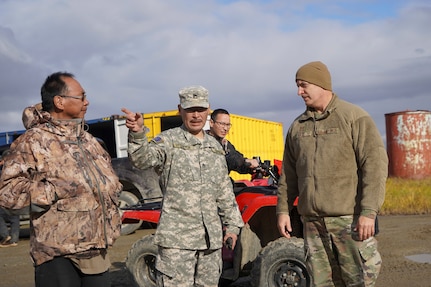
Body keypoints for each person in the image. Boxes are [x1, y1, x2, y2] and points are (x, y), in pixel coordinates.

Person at [0, 72, 122, 287]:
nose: (87, 102)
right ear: (59, 101)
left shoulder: (89, 141)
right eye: (81, 97)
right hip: (57, 254)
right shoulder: (34, 140)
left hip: (96, 251)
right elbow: (7, 192)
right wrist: (52, 191)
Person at [276, 61, 388, 287]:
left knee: (358, 281)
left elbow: (374, 165)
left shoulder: (353, 117)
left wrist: (368, 211)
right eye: (298, 86)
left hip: (349, 221)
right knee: (321, 283)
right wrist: (283, 210)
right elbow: (289, 173)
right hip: (313, 224)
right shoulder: (298, 126)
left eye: (303, 85)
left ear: (321, 84)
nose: (299, 92)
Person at [122, 85, 244, 287]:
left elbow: (224, 190)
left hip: (210, 242)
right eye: (190, 110)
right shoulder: (168, 141)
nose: (196, 115)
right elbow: (142, 160)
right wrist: (137, 134)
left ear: (208, 110)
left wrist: (232, 226)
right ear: (180, 110)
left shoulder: (215, 147)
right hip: (177, 242)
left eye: (201, 109)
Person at [208, 108, 259, 174]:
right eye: (222, 124)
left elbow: (238, 163)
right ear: (211, 123)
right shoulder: (203, 141)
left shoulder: (226, 144)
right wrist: (244, 161)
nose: (225, 128)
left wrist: (252, 168)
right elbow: (230, 160)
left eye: (228, 125)